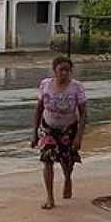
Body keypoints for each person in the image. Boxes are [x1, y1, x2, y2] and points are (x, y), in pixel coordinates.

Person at [31, 56, 87, 210]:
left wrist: (78, 137)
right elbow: (39, 108)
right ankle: (50, 197)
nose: (64, 73)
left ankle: (68, 178)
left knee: (67, 161)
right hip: (48, 127)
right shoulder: (46, 85)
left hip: (68, 128)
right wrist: (35, 133)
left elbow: (83, 114)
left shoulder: (77, 87)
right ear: (54, 70)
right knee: (47, 159)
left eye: (67, 70)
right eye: (61, 70)